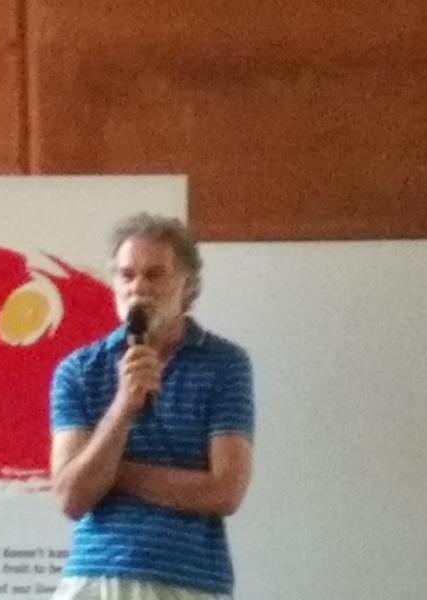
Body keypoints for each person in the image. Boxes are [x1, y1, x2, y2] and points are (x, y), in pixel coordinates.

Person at [49, 213, 254, 600]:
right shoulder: (78, 370)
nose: (138, 288)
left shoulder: (225, 364)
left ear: (188, 286)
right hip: (97, 575)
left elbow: (225, 491)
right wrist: (123, 406)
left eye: (155, 275)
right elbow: (71, 497)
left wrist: (114, 474)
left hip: (190, 580)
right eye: (126, 276)